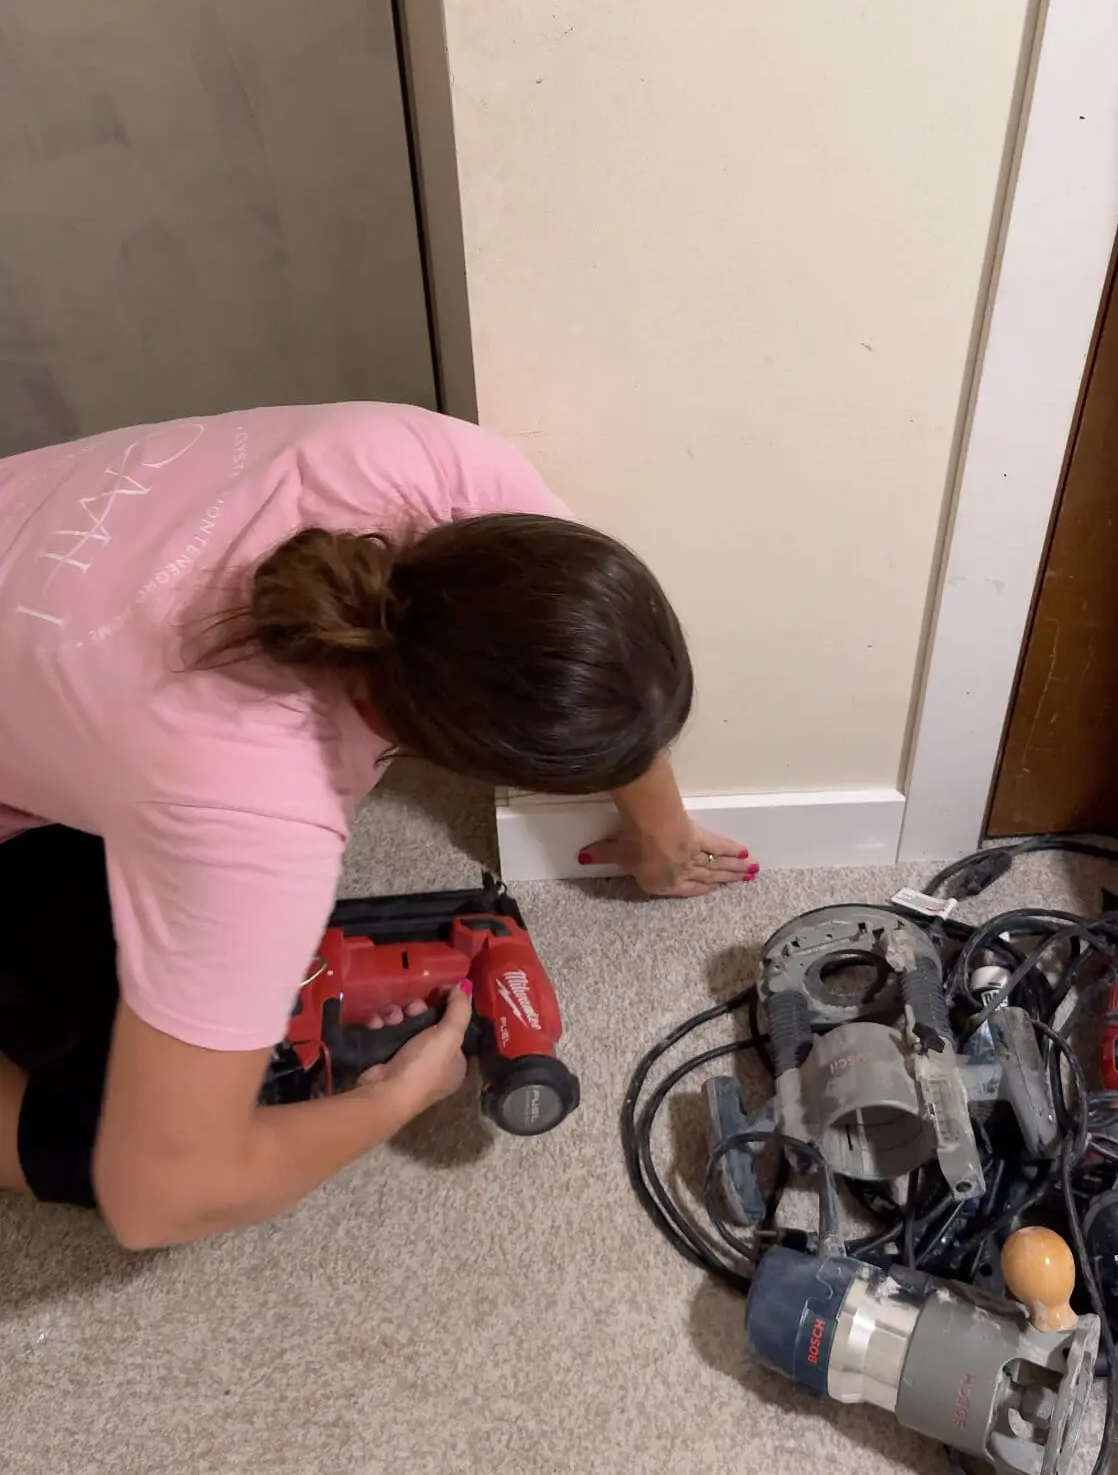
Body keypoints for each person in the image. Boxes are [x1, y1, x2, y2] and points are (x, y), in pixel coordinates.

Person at [0, 401, 757, 1247]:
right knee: (135, 1138)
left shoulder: (436, 469)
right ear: (461, 757)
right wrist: (392, 1099)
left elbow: (572, 656)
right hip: (62, 788)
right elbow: (161, 1200)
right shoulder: (256, 810)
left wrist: (664, 832)